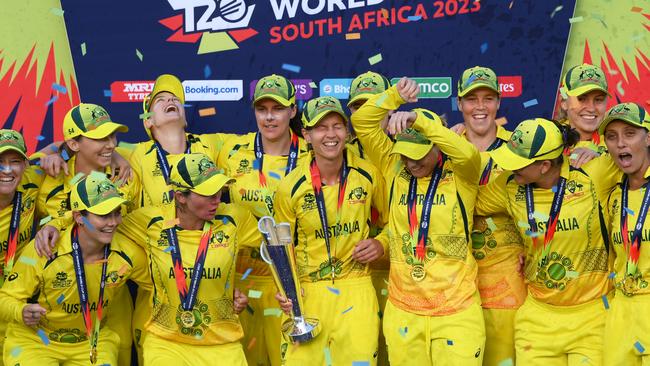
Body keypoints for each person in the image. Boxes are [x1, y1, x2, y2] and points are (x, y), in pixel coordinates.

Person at [351, 77, 485, 365]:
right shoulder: (392, 164)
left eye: (419, 154)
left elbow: (467, 151)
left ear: (437, 144)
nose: (412, 163)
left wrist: (418, 120)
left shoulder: (463, 173)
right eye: (406, 154)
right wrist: (394, 96)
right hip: (403, 312)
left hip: (456, 313)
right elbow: (362, 122)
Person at [477, 118, 618, 365]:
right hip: (537, 320)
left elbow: (634, 152)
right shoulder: (509, 185)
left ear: (544, 166)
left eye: (519, 163)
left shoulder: (592, 174)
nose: (511, 168)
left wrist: (598, 149)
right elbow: (468, 202)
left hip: (592, 317)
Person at [274, 95, 387, 365]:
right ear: (306, 135)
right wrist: (285, 289)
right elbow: (280, 246)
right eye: (321, 128)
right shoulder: (290, 186)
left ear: (347, 132)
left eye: (337, 126)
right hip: (308, 293)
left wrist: (382, 243)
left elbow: (394, 222)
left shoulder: (369, 175)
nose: (331, 135)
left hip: (356, 288)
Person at [206, 74, 309, 366]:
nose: (269, 117)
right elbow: (174, 148)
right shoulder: (230, 149)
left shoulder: (312, 153)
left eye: (277, 109)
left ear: (292, 111)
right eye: (261, 109)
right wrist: (118, 158)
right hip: (243, 281)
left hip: (291, 283)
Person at [116, 153, 256, 365]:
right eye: (208, 193)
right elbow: (100, 225)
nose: (217, 199)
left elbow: (275, 249)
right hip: (167, 343)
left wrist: (239, 288)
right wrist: (56, 224)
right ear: (180, 196)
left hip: (222, 343)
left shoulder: (235, 219)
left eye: (220, 190)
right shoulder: (150, 221)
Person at [0, 175, 150, 366]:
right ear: (79, 217)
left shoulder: (128, 254)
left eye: (117, 212)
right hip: (37, 340)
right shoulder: (45, 249)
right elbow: (5, 299)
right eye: (104, 215)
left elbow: (158, 287)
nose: (113, 222)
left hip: (92, 342)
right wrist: (20, 310)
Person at [34, 102, 139, 366]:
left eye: (113, 136)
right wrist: (53, 151)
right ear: (74, 143)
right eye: (101, 137)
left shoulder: (123, 175)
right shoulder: (52, 177)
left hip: (113, 292)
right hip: (62, 297)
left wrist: (116, 156)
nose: (112, 144)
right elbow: (19, 162)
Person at [454, 66, 526, 365]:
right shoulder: (444, 147)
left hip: (507, 280)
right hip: (454, 282)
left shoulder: (518, 147)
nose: (480, 107)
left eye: (488, 98)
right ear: (460, 104)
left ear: (498, 102)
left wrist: (532, 248)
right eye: (472, 99)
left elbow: (539, 203)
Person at [346, 70, 392, 366]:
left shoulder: (412, 150)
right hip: (355, 276)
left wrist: (383, 243)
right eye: (359, 107)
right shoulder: (337, 157)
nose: (368, 113)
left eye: (376, 105)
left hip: (401, 273)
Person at [599, 102, 650, 365]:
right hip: (620, 308)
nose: (620, 143)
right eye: (612, 136)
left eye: (630, 134)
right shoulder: (611, 194)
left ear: (648, 137)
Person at [0, 130, 45, 365]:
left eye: (15, 161)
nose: (7, 170)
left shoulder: (33, 180)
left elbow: (66, 147)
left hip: (17, 299)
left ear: (26, 164)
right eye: (0, 162)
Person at [557, 63, 610, 153]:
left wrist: (600, 158)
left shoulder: (617, 144)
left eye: (598, 99)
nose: (591, 109)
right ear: (564, 102)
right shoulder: (548, 140)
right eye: (581, 99)